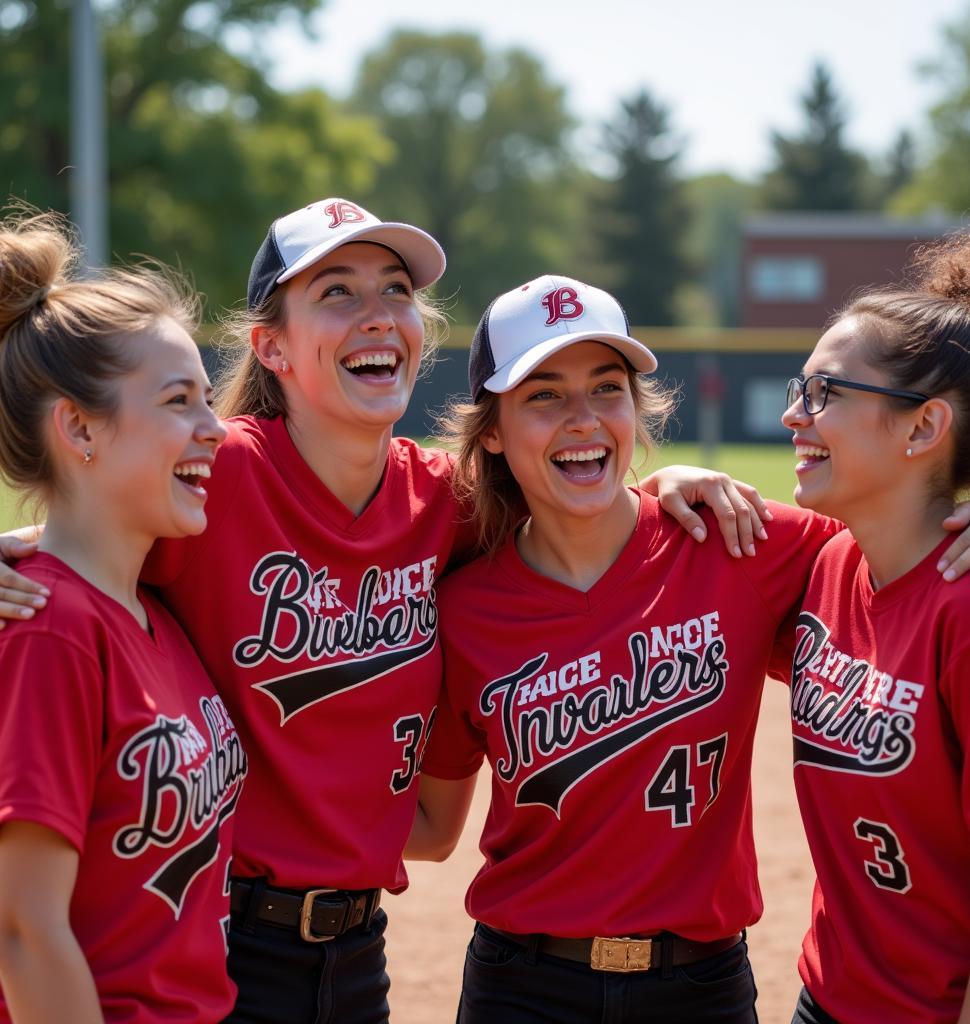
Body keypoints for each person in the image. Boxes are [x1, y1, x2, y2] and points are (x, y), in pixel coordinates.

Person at [0, 198, 783, 1024]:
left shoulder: (450, 506)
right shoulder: (210, 471)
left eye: (398, 290)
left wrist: (665, 487)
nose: (379, 315)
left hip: (357, 948)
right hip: (222, 933)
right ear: (271, 347)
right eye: (337, 291)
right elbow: (85, 529)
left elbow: (574, 491)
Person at [406, 274, 970, 1024]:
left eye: (607, 388)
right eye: (542, 394)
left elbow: (913, 551)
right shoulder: (466, 608)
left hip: (700, 984)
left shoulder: (742, 544)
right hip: (523, 982)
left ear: (637, 407)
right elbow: (431, 825)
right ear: (493, 429)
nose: (582, 418)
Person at [0, 209, 245, 1023]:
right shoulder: (47, 628)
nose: (215, 428)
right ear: (78, 427)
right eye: (180, 401)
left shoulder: (152, 614)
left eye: (209, 399)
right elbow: (21, 932)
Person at [782, 222, 970, 1024]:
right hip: (825, 999)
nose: (793, 415)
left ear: (923, 429)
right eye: (798, 386)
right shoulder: (829, 566)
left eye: (824, 393)